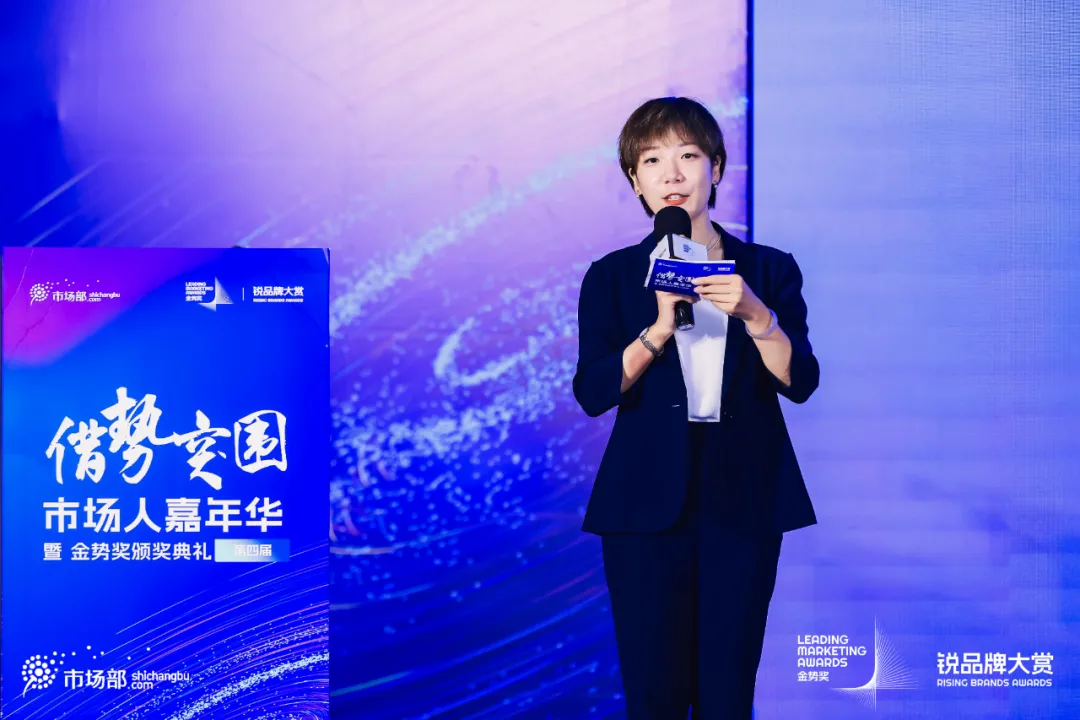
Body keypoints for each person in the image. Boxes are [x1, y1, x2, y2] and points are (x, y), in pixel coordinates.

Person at [572, 96, 820, 719]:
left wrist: (757, 314)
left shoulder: (766, 268)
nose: (672, 174)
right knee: (653, 696)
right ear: (635, 181)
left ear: (717, 168)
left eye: (688, 156)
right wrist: (658, 330)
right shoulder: (611, 276)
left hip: (743, 496)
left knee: (727, 694)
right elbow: (593, 392)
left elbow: (801, 381)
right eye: (652, 161)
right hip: (643, 503)